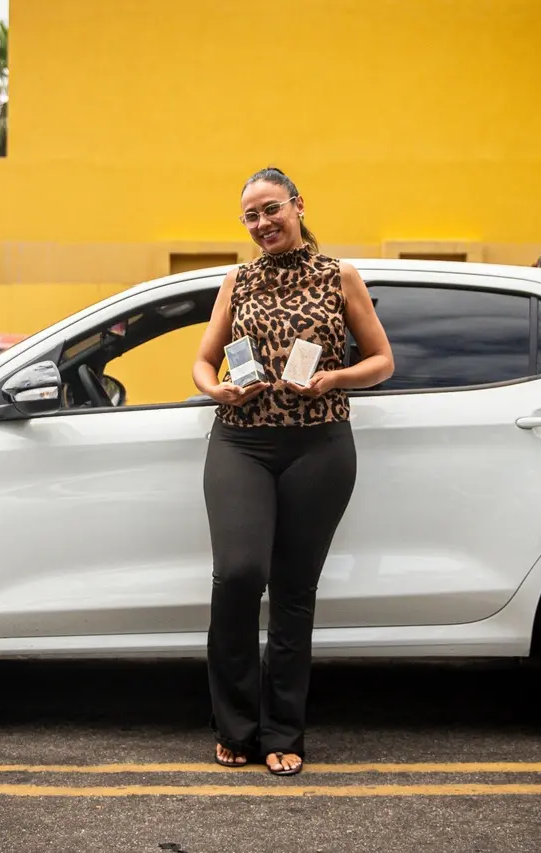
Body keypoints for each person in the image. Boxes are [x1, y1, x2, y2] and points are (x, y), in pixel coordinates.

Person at [191, 167, 394, 776]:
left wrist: (333, 377)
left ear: (298, 206)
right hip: (242, 443)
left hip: (318, 447)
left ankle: (284, 732)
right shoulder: (238, 280)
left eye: (270, 209)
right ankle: (236, 725)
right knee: (237, 576)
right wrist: (218, 391)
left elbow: (383, 360)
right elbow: (203, 361)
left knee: (293, 593)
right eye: (250, 215)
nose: (261, 224)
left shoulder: (340, 276)